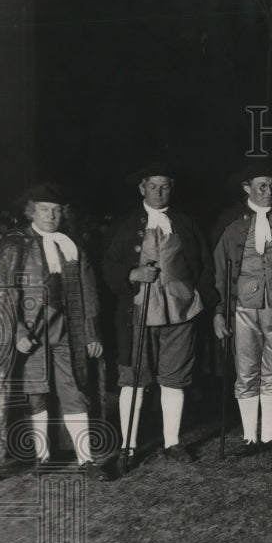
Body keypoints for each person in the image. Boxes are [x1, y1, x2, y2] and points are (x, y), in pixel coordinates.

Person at [0, 183, 104, 481]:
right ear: (32, 211)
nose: (51, 215)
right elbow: (1, 291)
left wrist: (92, 333)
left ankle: (86, 460)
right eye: (44, 209)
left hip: (66, 330)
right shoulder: (11, 243)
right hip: (30, 334)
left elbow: (88, 291)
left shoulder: (72, 245)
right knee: (36, 395)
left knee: (73, 391)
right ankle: (43, 458)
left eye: (56, 210)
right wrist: (17, 330)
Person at [102, 162, 216, 475]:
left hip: (181, 313)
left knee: (175, 377)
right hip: (137, 314)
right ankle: (128, 445)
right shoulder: (124, 226)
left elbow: (206, 266)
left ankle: (171, 442)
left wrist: (199, 298)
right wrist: (131, 274)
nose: (159, 191)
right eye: (153, 186)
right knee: (134, 380)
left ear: (172, 188)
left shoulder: (187, 223)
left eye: (165, 186)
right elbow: (108, 267)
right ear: (142, 188)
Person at [212, 161, 272, 457]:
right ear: (247, 188)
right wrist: (219, 310)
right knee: (246, 373)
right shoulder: (231, 224)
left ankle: (269, 436)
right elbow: (219, 270)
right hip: (243, 307)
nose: (268, 192)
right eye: (261, 187)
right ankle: (249, 437)